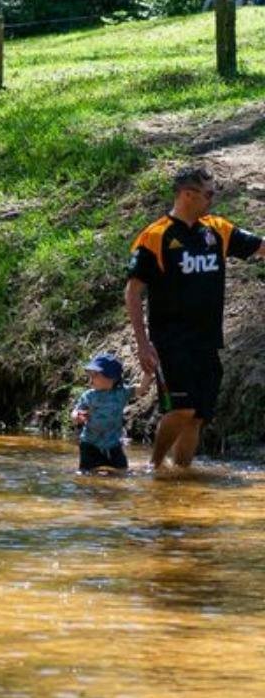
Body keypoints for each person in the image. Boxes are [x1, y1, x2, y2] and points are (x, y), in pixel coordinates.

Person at [127, 166, 264, 474]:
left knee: (198, 415)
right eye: (209, 194)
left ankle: (182, 473)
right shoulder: (155, 236)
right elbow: (133, 291)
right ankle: (155, 467)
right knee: (183, 408)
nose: (213, 199)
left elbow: (260, 246)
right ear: (188, 195)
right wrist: (142, 343)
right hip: (170, 341)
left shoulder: (217, 229)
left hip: (208, 341)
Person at [71, 354, 129, 473]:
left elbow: (141, 388)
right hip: (90, 444)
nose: (90, 379)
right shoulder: (89, 395)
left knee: (122, 471)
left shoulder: (121, 393)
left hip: (113, 445)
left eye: (95, 375)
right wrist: (77, 416)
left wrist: (148, 374)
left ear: (111, 378)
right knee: (87, 473)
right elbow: (76, 411)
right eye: (90, 375)